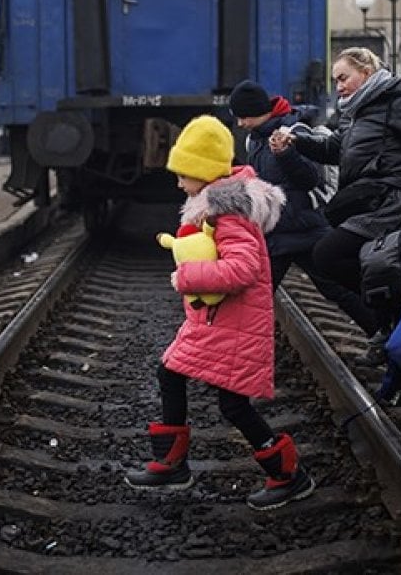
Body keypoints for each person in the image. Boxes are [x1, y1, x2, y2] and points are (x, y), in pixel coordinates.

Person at [123, 115, 315, 511]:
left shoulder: (227, 212)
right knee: (169, 372)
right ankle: (172, 463)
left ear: (205, 173)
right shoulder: (216, 203)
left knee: (234, 405)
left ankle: (288, 474)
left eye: (184, 174)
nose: (178, 183)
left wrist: (186, 277)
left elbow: (243, 270)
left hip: (233, 324)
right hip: (216, 322)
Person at [272, 47, 401, 344]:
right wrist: (296, 142)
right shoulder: (356, 112)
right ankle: (392, 322)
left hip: (393, 203)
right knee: (359, 266)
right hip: (367, 203)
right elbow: (334, 149)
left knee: (328, 254)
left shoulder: (398, 100)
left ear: (366, 73)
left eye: (343, 78)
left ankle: (394, 312)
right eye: (335, 80)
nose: (338, 86)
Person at [228, 80, 377, 335]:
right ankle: (238, 353)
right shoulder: (255, 139)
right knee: (256, 299)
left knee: (337, 290)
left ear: (256, 112)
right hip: (278, 232)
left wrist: (286, 154)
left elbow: (310, 179)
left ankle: (383, 337)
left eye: (243, 117)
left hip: (305, 230)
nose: (240, 124)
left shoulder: (294, 131)